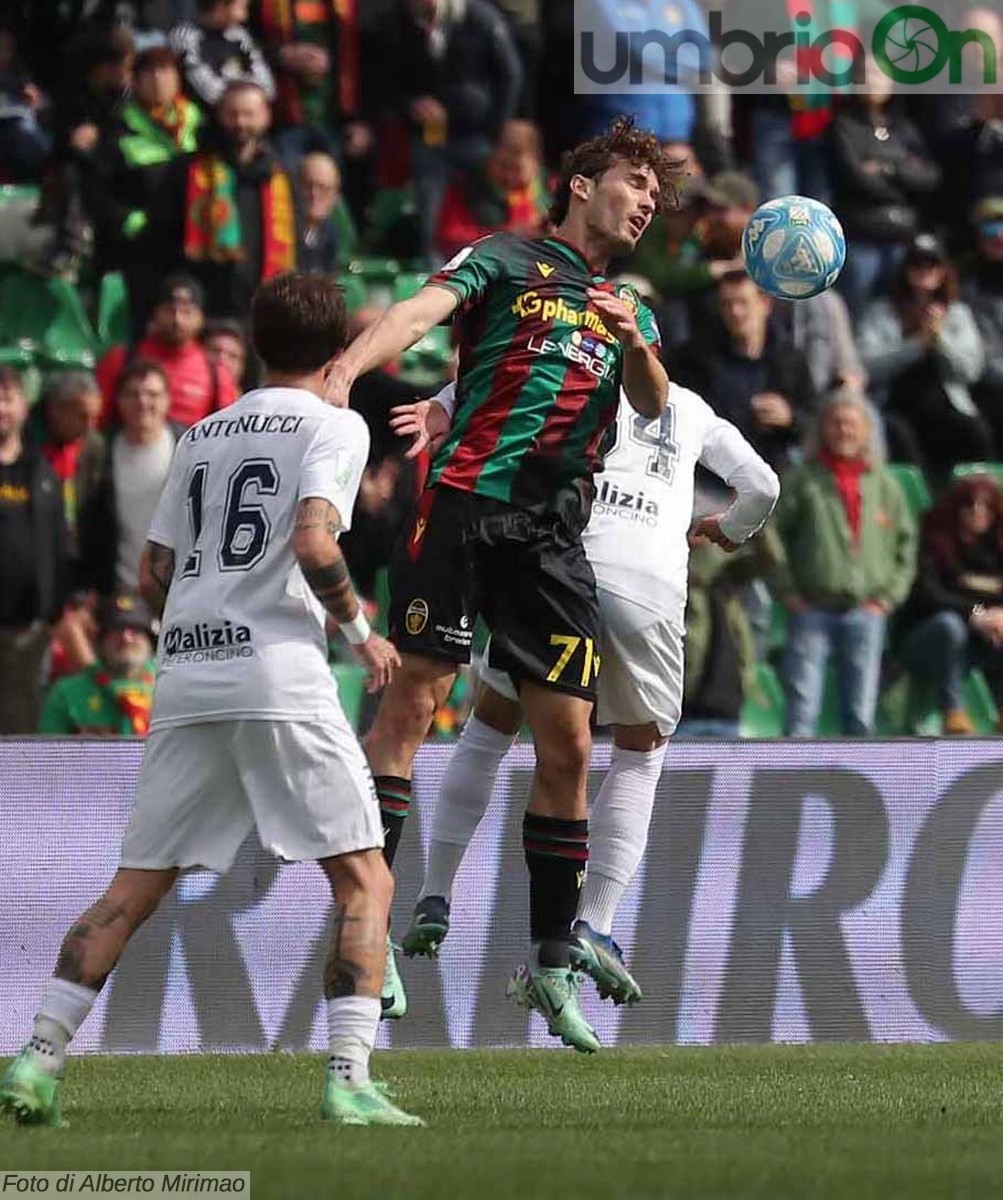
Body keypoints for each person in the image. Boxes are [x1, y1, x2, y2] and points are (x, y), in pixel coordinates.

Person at [0, 272, 422, 1130]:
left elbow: (154, 570)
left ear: (260, 344)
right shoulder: (336, 423)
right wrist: (359, 636)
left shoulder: (200, 434)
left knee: (131, 890)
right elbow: (313, 538)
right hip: (280, 674)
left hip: (188, 674)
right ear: (339, 349)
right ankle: (348, 1078)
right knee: (363, 879)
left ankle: (37, 1061)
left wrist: (201, 626)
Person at [325, 118, 676, 1049]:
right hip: (466, 506)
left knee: (568, 748)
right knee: (412, 708)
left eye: (654, 193)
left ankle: (552, 963)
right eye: (634, 181)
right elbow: (418, 313)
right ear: (579, 183)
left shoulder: (624, 303)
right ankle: (372, 929)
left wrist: (631, 340)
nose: (645, 201)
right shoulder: (506, 256)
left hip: (556, 539)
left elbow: (651, 402)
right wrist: (350, 367)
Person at [390, 377, 778, 1015]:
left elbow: (502, 361)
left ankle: (435, 892)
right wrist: (729, 530)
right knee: (640, 752)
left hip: (565, 571)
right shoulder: (696, 406)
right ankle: (593, 924)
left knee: (489, 728)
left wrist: (441, 402)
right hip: (650, 588)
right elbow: (764, 484)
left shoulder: (574, 374)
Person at [771, 390, 917, 737]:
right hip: (810, 608)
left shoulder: (886, 486)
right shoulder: (802, 480)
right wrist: (786, 590)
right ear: (822, 429)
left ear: (867, 431)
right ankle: (790, 782)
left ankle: (855, 787)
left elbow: (907, 547)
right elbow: (770, 537)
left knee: (860, 714)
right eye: (835, 423)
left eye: (851, 424)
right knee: (801, 713)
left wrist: (888, 598)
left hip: (866, 612)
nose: (843, 430)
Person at [140, 81, 297, 324]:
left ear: (265, 117)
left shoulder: (283, 178)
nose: (240, 123)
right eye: (232, 114)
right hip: (204, 311)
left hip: (266, 311)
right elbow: (159, 240)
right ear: (219, 115)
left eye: (249, 114)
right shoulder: (187, 172)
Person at [858, 234, 990, 481]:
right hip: (895, 405)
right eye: (916, 264)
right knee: (899, 435)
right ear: (905, 270)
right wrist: (917, 345)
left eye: (931, 264)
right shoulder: (882, 311)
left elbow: (971, 371)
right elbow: (866, 366)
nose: (923, 271)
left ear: (943, 271)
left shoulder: (958, 314)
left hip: (945, 404)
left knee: (975, 432)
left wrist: (940, 340)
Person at [673, 273, 817, 475]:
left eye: (743, 303)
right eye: (726, 304)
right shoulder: (696, 358)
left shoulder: (790, 360)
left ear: (765, 304)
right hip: (709, 479)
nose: (735, 312)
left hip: (770, 476)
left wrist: (790, 418)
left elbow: (814, 418)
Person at [830, 57, 941, 318]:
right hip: (861, 241)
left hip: (903, 240)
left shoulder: (905, 130)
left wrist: (888, 169)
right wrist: (904, 179)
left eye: (879, 74)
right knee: (857, 317)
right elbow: (856, 179)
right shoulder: (844, 126)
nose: (872, 80)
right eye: (865, 73)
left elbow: (930, 177)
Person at [900, 474, 1003, 734]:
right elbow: (928, 594)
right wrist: (975, 614)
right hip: (928, 642)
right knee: (950, 626)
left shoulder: (996, 549)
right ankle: (953, 711)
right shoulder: (934, 543)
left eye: (985, 507)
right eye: (970, 506)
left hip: (981, 643)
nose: (978, 513)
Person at [84, 45, 201, 274]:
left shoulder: (198, 123)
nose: (158, 80)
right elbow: (99, 191)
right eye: (149, 73)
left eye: (166, 71)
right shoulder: (117, 129)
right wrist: (133, 223)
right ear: (135, 81)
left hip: (193, 237)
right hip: (141, 243)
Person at [0, 367, 70, 734]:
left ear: (24, 408)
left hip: (29, 633)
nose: (1, 408)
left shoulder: (41, 470)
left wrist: (57, 608)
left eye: (8, 398)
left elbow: (59, 542)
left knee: (21, 730)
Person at [79, 361, 181, 594]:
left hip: (176, 593)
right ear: (119, 400)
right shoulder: (100, 452)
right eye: (133, 394)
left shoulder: (188, 446)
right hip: (117, 593)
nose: (143, 402)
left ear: (167, 400)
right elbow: (88, 524)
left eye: (153, 394)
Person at [96, 275, 239, 429]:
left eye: (187, 312)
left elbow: (228, 432)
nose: (177, 319)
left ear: (201, 318)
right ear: (155, 314)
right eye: (170, 310)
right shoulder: (122, 359)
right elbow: (97, 420)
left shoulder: (216, 374)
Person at [39, 592, 157, 737]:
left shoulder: (169, 686)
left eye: (136, 630)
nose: (126, 638)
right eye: (116, 630)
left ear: (150, 640)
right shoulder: (68, 693)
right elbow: (47, 754)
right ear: (101, 640)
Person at [435, 119, 549, 261]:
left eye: (517, 169)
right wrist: (505, 235)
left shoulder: (553, 191)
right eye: (504, 166)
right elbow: (448, 240)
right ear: (491, 156)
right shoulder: (466, 190)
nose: (509, 177)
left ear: (536, 163)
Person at [33, 373, 107, 564]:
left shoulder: (97, 450)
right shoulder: (26, 446)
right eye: (82, 416)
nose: (90, 426)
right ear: (55, 409)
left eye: (94, 418)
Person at [169, 0, 274, 110]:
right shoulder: (184, 37)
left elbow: (267, 86)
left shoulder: (241, 37)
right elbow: (207, 91)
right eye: (241, 8)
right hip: (203, 116)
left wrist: (248, 99)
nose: (245, 16)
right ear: (220, 6)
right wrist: (239, 99)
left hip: (249, 112)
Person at [964, 196, 1003, 454]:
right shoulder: (968, 291)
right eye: (991, 229)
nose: (999, 236)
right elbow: (984, 361)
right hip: (986, 389)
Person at [297, 151, 356, 274]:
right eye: (308, 185)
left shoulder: (333, 234)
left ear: (335, 196)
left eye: (323, 188)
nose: (314, 194)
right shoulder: (283, 232)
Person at [203, 317, 249, 390]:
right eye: (215, 351)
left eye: (232, 356)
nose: (221, 359)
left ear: (242, 368)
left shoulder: (249, 401)